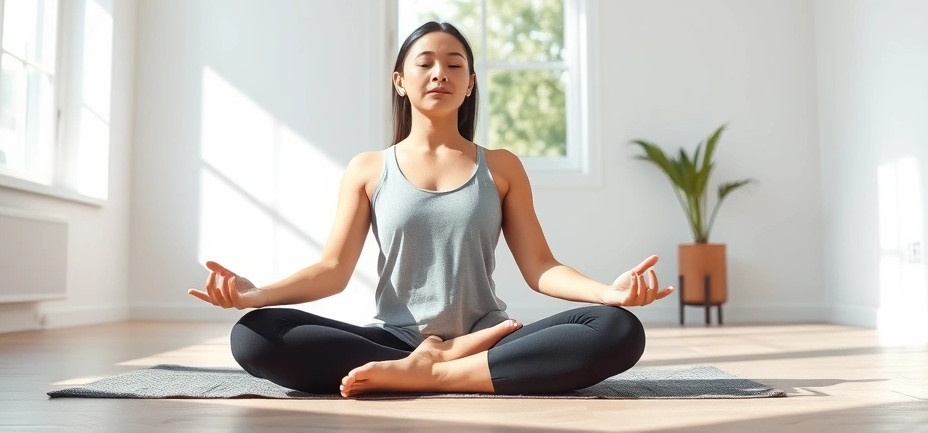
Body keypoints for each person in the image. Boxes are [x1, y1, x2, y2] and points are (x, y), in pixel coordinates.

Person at [189, 21, 674, 398]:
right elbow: (332, 270)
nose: (440, 72)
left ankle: (435, 375)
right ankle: (437, 369)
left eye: (454, 64)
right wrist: (256, 295)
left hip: (488, 338)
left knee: (617, 329)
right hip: (392, 342)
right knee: (255, 335)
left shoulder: (502, 167)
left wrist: (609, 294)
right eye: (425, 63)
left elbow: (541, 268)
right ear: (400, 81)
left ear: (469, 84)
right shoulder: (368, 168)